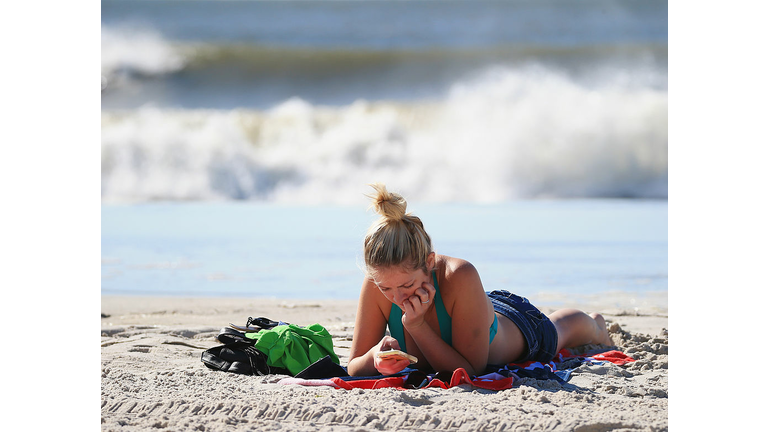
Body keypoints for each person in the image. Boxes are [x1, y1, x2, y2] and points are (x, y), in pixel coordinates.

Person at [347, 183, 613, 377]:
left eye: (406, 285)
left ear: (429, 263)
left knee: (560, 330)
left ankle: (597, 325)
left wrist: (416, 326)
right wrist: (375, 359)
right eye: (386, 288)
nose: (397, 297)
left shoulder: (460, 275)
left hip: (519, 326)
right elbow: (354, 364)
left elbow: (471, 371)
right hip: (474, 308)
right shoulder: (375, 284)